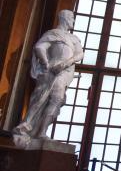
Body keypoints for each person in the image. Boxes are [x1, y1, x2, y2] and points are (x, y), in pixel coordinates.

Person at [12, 9, 84, 149]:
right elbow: (40, 47)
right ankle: (28, 126)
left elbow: (80, 54)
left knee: (57, 99)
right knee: (41, 98)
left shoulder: (74, 38)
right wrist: (46, 63)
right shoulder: (53, 33)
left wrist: (66, 63)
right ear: (64, 18)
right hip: (51, 70)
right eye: (71, 17)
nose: (73, 21)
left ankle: (41, 132)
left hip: (65, 71)